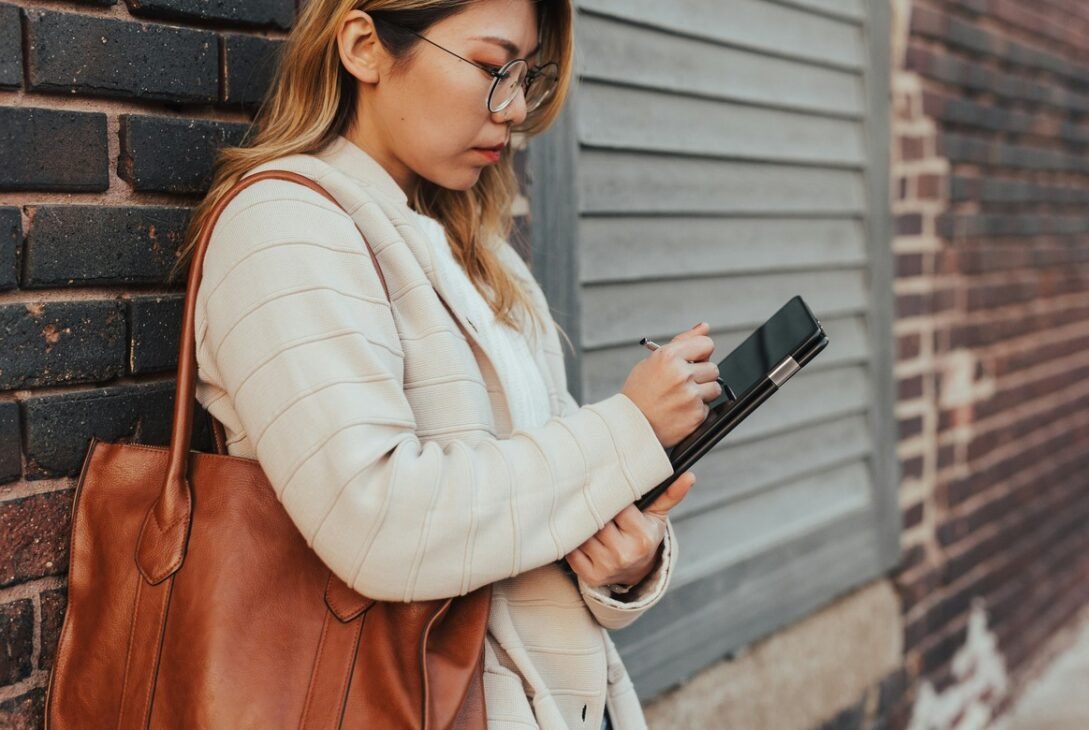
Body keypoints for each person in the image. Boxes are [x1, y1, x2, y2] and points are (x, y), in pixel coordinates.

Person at [181, 1, 722, 727]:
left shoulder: (482, 253)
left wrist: (625, 559)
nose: (517, 107)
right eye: (494, 68)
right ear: (365, 47)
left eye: (526, 76)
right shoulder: (284, 226)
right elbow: (377, 521)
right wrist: (627, 432)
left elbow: (550, 476)